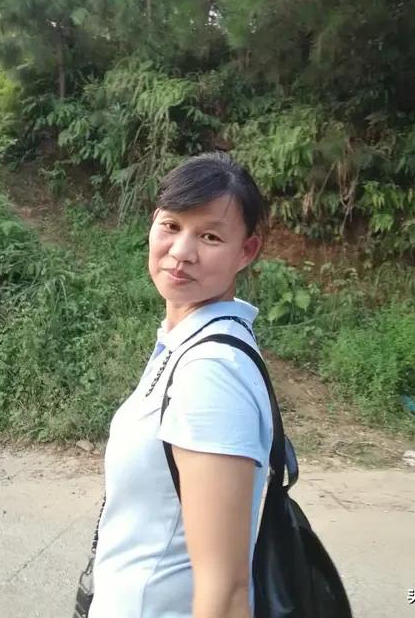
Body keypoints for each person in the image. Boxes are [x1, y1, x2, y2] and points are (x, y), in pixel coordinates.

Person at [89, 151, 274, 618]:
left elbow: (226, 593)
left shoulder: (212, 371)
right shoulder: (184, 344)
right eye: (171, 226)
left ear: (246, 251)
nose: (181, 252)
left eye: (210, 236)